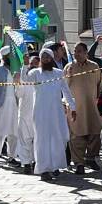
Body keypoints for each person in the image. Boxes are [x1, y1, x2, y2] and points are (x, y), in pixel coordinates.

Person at [31, 47, 78, 182]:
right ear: (40, 59)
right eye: (43, 57)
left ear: (52, 59)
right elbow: (23, 80)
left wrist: (73, 108)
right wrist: (24, 65)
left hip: (56, 112)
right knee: (42, 140)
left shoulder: (58, 73)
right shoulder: (35, 73)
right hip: (40, 112)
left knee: (58, 138)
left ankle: (54, 166)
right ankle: (44, 169)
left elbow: (66, 92)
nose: (46, 59)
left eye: (48, 57)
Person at [64, 42, 102, 175]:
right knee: (76, 135)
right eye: (75, 51)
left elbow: (100, 85)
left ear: (86, 52)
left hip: (92, 106)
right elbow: (63, 87)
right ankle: (79, 163)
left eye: (79, 51)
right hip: (75, 108)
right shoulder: (69, 67)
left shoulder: (94, 66)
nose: (76, 53)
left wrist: (100, 102)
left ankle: (91, 158)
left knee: (95, 132)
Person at [14, 52, 38, 174]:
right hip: (24, 114)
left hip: (38, 116)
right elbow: (19, 94)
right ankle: (26, 163)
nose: (32, 65)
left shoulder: (43, 79)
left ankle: (36, 162)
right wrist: (17, 84)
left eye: (35, 63)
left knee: (37, 141)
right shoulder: (25, 78)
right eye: (31, 63)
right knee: (25, 140)